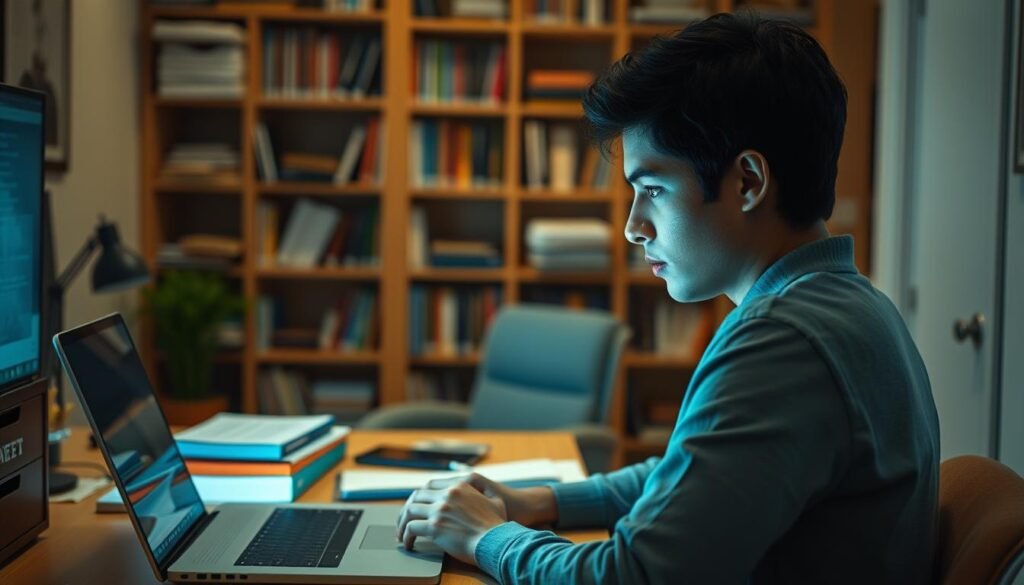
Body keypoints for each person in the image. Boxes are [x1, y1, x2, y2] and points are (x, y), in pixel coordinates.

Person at [396, 12, 939, 584]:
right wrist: (539, 502)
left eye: (652, 189)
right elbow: (693, 469)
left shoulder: (783, 338)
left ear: (748, 182)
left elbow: (636, 575)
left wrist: (486, 536)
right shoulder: (851, 305)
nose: (633, 227)